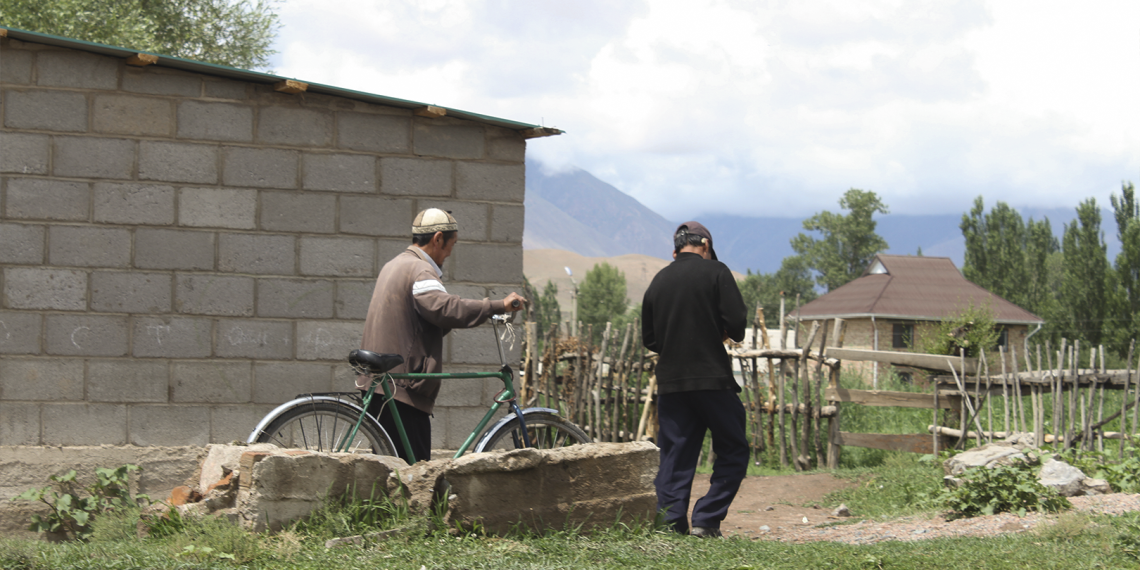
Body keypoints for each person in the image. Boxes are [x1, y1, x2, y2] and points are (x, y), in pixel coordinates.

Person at [358, 208, 526, 462]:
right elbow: (445, 308)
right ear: (437, 239)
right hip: (402, 386)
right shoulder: (420, 271)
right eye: (451, 245)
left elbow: (421, 320)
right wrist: (496, 306)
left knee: (395, 470)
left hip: (385, 382)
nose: (449, 253)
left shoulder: (394, 265)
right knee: (415, 475)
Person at [641, 221, 748, 538]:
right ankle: (707, 517)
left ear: (676, 251)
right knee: (733, 448)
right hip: (712, 380)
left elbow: (650, 338)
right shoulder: (716, 272)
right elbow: (738, 324)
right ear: (705, 246)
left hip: (672, 384)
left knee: (675, 455)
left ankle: (671, 522)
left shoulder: (658, 281)